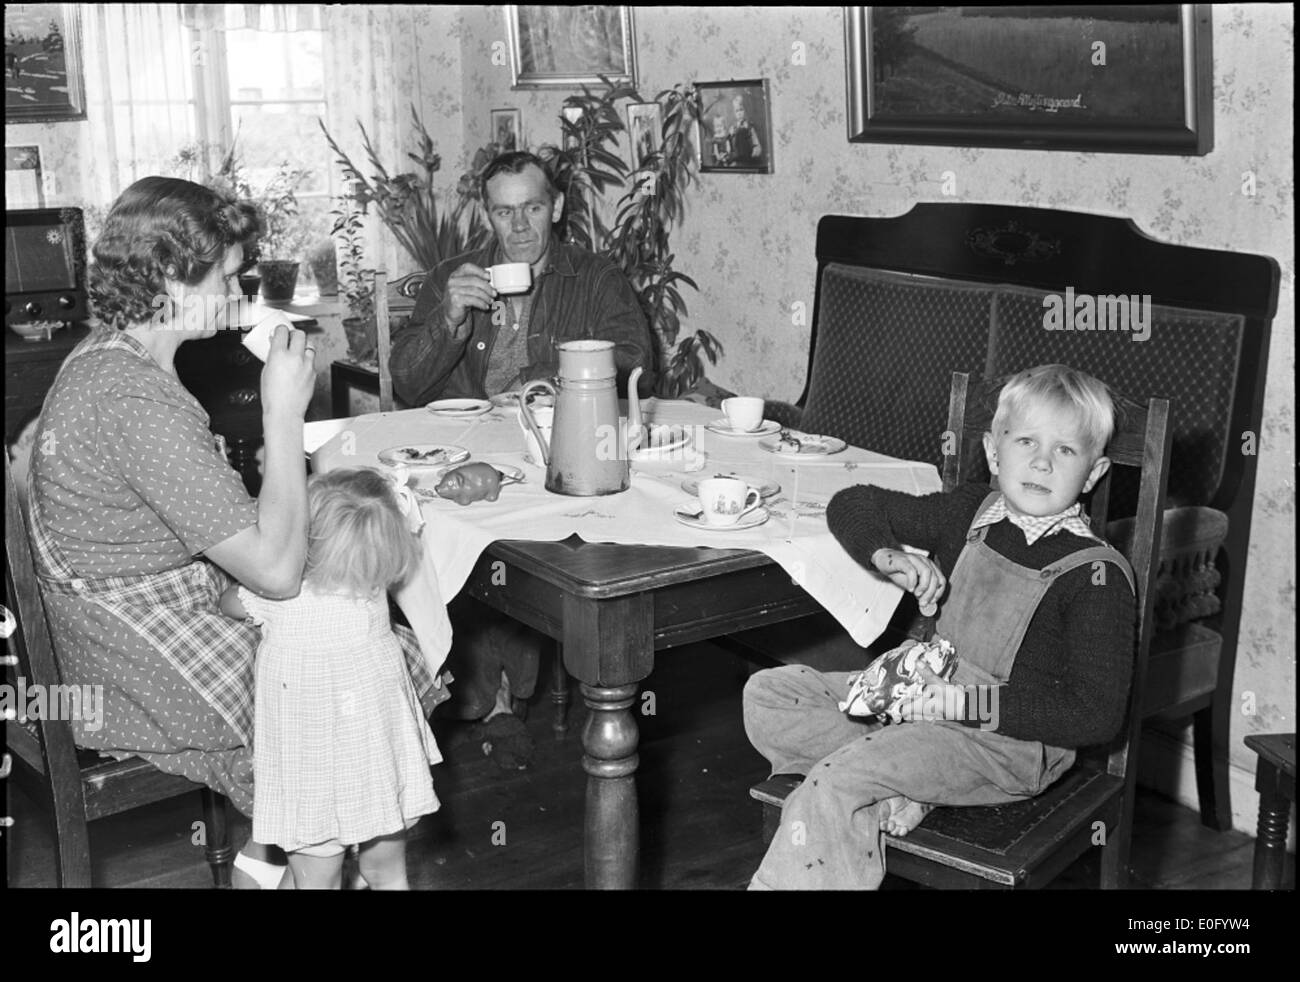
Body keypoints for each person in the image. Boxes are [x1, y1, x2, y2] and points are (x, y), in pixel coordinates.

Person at [24, 176, 434, 889]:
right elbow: (274, 573)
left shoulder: (113, 358)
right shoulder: (134, 400)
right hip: (120, 656)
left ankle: (277, 856)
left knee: (361, 644)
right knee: (354, 668)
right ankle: (325, 850)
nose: (240, 291)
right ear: (173, 281)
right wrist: (284, 413)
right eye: (226, 276)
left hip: (115, 619)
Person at [743, 364, 1137, 889]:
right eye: (1026, 441)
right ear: (995, 453)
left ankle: (870, 785)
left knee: (838, 781)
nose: (1042, 461)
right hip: (918, 704)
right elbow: (853, 501)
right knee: (769, 694)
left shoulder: (1095, 574)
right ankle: (901, 785)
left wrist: (962, 703)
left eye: (1066, 450)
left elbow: (1096, 716)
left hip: (1003, 745)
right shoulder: (972, 511)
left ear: (1092, 472)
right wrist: (885, 555)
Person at [389, 150, 655, 733]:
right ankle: (489, 692)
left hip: (553, 451)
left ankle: (498, 693)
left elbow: (638, 363)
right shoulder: (452, 277)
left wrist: (542, 379)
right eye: (503, 211)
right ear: (487, 214)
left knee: (532, 539)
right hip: (465, 453)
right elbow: (408, 382)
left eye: (532, 208)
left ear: (555, 207)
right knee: (440, 528)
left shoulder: (595, 277)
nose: (517, 227)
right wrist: (451, 320)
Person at [220, 468, 443, 889]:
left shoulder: (278, 595)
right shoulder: (373, 592)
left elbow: (229, 603)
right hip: (380, 776)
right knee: (388, 875)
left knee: (313, 880)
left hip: (312, 783)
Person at [726, 95, 763, 167]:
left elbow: (755, 140)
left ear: (745, 110)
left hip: (748, 157)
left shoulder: (749, 126)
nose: (739, 113)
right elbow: (729, 141)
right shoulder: (733, 127)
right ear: (734, 113)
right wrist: (728, 151)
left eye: (741, 110)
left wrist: (756, 148)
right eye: (737, 111)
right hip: (736, 157)